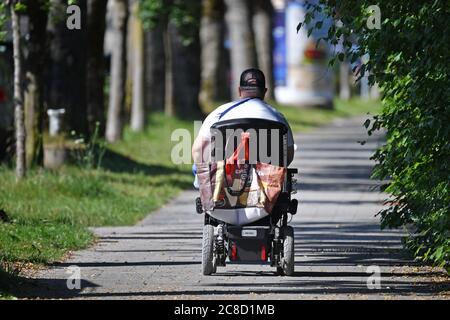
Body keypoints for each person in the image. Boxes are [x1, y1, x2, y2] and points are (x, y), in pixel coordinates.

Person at [192, 68, 295, 172]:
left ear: (239, 91)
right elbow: (288, 155)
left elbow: (198, 150)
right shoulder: (277, 117)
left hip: (225, 180)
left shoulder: (218, 114)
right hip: (266, 180)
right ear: (265, 91)